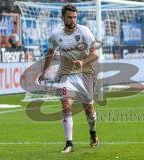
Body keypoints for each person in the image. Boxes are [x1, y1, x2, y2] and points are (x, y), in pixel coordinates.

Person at [38, 4, 99, 153]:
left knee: (89, 109)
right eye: (70, 17)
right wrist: (44, 71)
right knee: (66, 105)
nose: (73, 20)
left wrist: (82, 62)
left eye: (75, 17)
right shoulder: (55, 34)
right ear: (63, 18)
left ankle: (93, 132)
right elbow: (50, 53)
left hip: (85, 73)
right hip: (66, 74)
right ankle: (69, 143)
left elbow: (95, 54)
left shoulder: (84, 31)